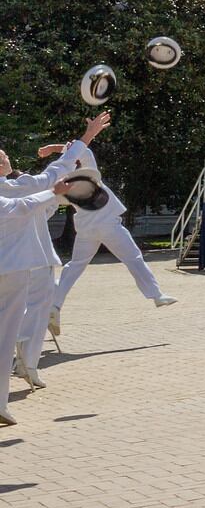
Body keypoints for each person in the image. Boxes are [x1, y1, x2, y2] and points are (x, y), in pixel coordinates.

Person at [0, 113, 109, 415]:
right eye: (5, 156)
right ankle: (23, 368)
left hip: (25, 262)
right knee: (16, 325)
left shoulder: (18, 187)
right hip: (22, 264)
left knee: (26, 318)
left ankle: (26, 366)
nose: (9, 158)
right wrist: (86, 137)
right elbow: (55, 174)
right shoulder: (20, 187)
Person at [48, 130, 176, 317]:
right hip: (108, 225)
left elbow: (75, 153)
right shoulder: (90, 174)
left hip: (86, 229)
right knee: (133, 258)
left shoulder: (66, 189)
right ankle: (156, 294)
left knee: (74, 266)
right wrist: (54, 148)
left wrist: (54, 150)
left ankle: (55, 305)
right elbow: (81, 149)